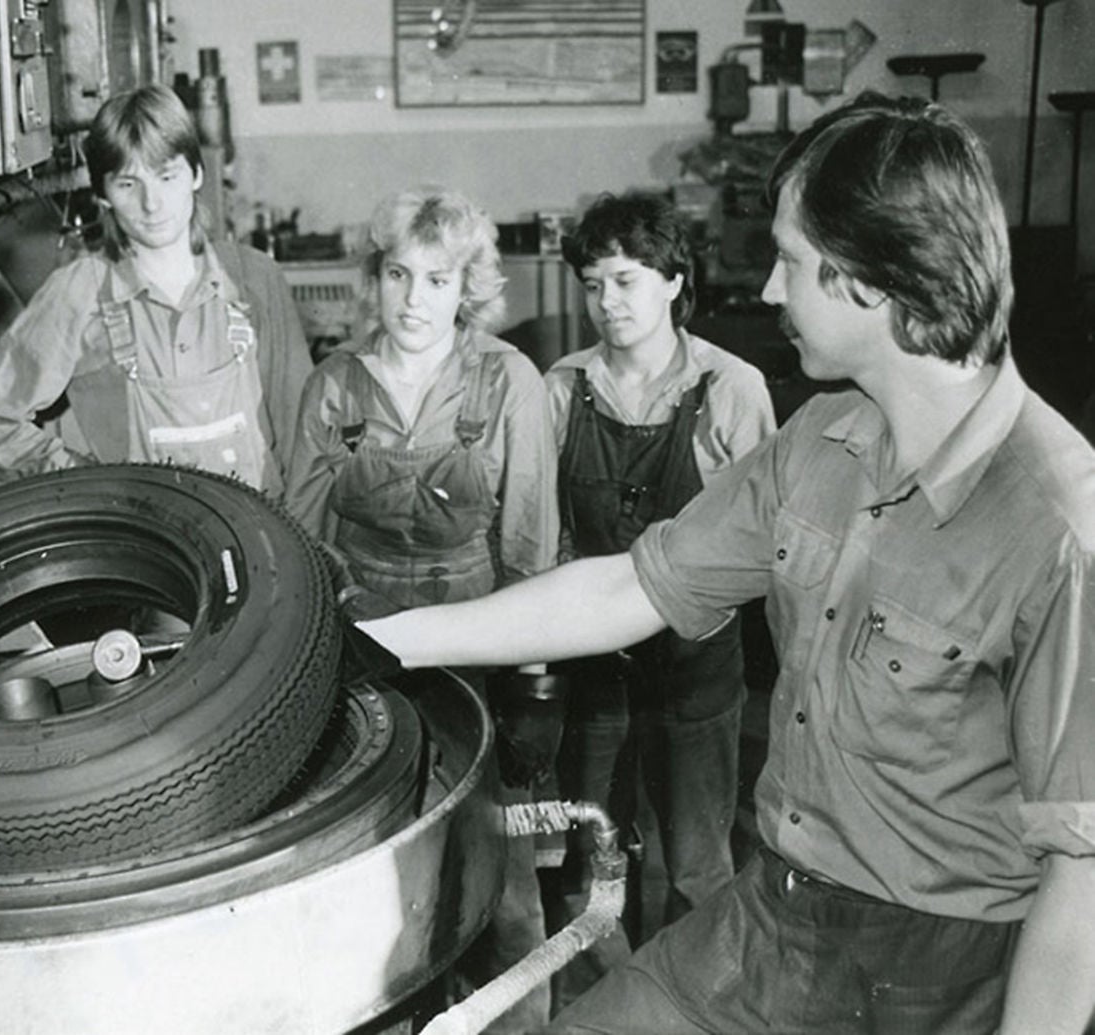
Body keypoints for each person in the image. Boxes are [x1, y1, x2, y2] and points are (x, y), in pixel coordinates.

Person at [356, 93, 1095, 1034]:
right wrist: (379, 642)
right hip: (769, 914)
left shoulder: (1058, 529)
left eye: (788, 259)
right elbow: (629, 585)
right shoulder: (820, 442)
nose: (773, 291)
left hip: (929, 968)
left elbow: (1081, 875)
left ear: (868, 278)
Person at [285, 185, 560, 1032]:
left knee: (506, 895)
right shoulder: (335, 386)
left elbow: (531, 541)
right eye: (398, 274)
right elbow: (301, 534)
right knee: (376, 894)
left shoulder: (505, 379)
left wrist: (534, 684)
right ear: (374, 278)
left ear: (465, 287)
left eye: (437, 279)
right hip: (369, 659)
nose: (414, 299)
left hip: (479, 645)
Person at [544, 191, 773, 993]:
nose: (606, 302)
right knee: (589, 860)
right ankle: (604, 1006)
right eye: (592, 283)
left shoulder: (731, 387)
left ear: (674, 280)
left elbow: (770, 543)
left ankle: (696, 1010)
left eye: (627, 280)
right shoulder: (560, 389)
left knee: (696, 867)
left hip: (696, 665)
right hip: (594, 665)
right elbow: (544, 537)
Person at [0, 84, 312, 496]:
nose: (153, 203)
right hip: (146, 550)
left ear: (197, 174)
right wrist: (89, 490)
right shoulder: (80, 290)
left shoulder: (255, 278)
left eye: (167, 176)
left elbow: (304, 437)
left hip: (260, 534)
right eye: (128, 185)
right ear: (102, 195)